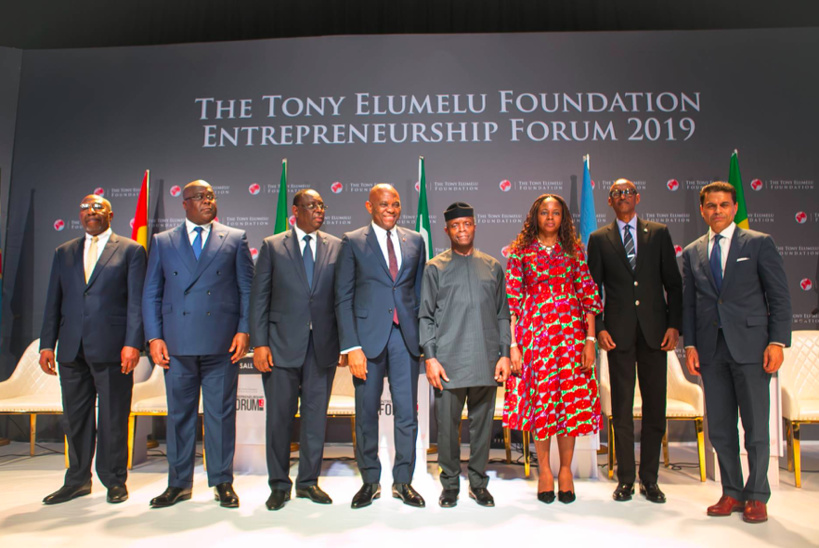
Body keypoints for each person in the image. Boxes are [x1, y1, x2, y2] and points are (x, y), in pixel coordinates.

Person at [682, 181, 791, 524]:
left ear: (734, 208)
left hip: (752, 349)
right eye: (711, 206)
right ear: (702, 210)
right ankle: (731, 491)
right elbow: (689, 304)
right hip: (711, 351)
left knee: (756, 427)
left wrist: (777, 341)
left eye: (724, 205)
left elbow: (780, 297)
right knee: (722, 429)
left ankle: (757, 495)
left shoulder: (758, 244)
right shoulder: (692, 251)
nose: (717, 211)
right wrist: (690, 345)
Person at [143, 180, 254, 509]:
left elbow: (247, 288)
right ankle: (178, 484)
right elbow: (151, 292)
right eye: (201, 198)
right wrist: (154, 337)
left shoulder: (234, 238)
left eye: (211, 197)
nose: (208, 201)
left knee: (220, 414)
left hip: (221, 341)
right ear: (185, 203)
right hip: (176, 343)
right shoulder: (163, 242)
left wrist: (244, 329)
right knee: (179, 416)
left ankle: (222, 482)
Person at [39, 194, 146, 505]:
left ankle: (114, 480)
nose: (91, 212)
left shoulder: (131, 250)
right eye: (85, 208)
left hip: (114, 349)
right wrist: (48, 344)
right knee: (75, 419)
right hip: (72, 350)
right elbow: (53, 302)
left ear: (110, 214)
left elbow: (136, 303)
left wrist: (132, 343)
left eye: (98, 207)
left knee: (113, 418)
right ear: (79, 215)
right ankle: (77, 480)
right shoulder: (64, 252)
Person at [586, 178, 682, 504]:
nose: (623, 197)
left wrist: (674, 326)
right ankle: (626, 478)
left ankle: (650, 479)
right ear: (609, 201)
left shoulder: (658, 233)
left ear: (637, 197)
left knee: (655, 409)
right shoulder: (599, 239)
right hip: (618, 336)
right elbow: (591, 291)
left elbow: (674, 284)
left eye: (628, 192)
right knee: (622, 410)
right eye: (616, 193)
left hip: (656, 335)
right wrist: (598, 328)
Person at [503, 193, 602, 504]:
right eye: (544, 212)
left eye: (556, 212)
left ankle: (566, 471)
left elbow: (588, 297)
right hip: (535, 338)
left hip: (571, 339)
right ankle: (545, 470)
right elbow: (512, 304)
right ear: (535, 217)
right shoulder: (520, 252)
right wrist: (514, 346)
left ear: (563, 218)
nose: (549, 217)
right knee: (543, 404)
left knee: (569, 404)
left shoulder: (574, 251)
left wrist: (589, 341)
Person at [249, 189, 343, 511]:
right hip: (280, 347)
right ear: (295, 210)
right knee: (279, 420)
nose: (319, 210)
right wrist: (259, 344)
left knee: (315, 420)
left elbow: (341, 299)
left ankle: (307, 483)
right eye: (312, 205)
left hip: (322, 348)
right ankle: (278, 485)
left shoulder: (336, 246)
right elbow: (259, 298)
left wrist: (346, 343)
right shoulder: (273, 246)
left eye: (322, 205)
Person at [335, 183, 427, 509]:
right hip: (367, 341)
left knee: (407, 414)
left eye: (396, 204)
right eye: (383, 204)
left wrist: (423, 341)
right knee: (366, 415)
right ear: (369, 206)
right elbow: (343, 297)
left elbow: (418, 294)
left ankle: (403, 482)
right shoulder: (352, 241)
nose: (390, 209)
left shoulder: (415, 240)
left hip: (405, 339)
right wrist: (351, 346)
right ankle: (370, 482)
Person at [419, 202, 511, 508]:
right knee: (446, 430)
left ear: (474, 226)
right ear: (447, 230)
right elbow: (425, 317)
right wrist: (430, 356)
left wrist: (505, 354)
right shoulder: (435, 268)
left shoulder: (492, 266)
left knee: (482, 427)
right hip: (447, 362)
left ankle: (478, 483)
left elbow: (502, 315)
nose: (462, 230)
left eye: (467, 224)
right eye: (456, 226)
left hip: (485, 359)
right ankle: (449, 485)